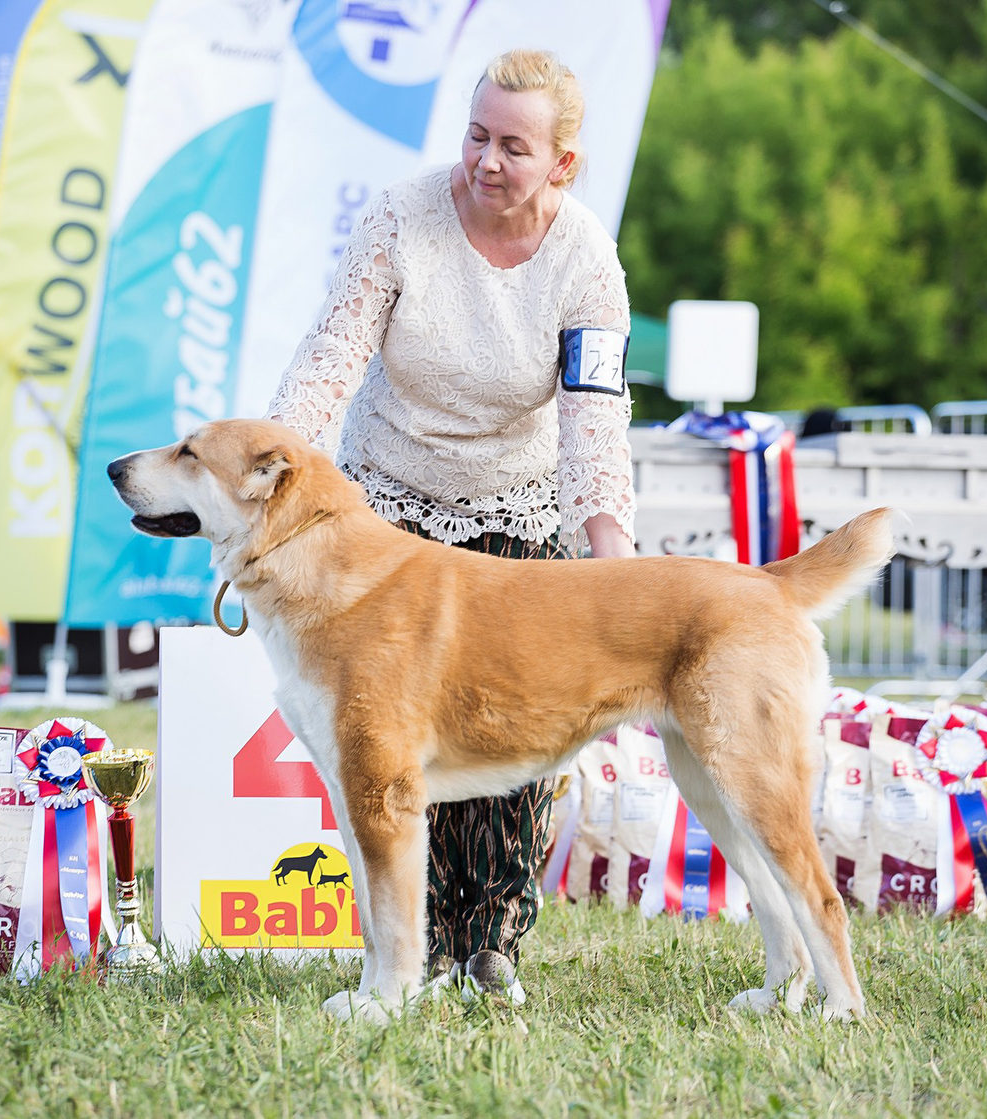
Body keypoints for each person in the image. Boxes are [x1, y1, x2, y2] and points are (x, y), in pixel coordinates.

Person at [264, 49, 636, 1004]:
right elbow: (331, 356)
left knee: (512, 739)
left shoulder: (587, 257)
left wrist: (613, 568)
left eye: (515, 146)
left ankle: (490, 945)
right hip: (385, 510)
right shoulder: (400, 216)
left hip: (515, 510)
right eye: (478, 135)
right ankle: (406, 950)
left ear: (562, 163)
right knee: (385, 747)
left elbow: (595, 417)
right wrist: (273, 473)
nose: (486, 160)